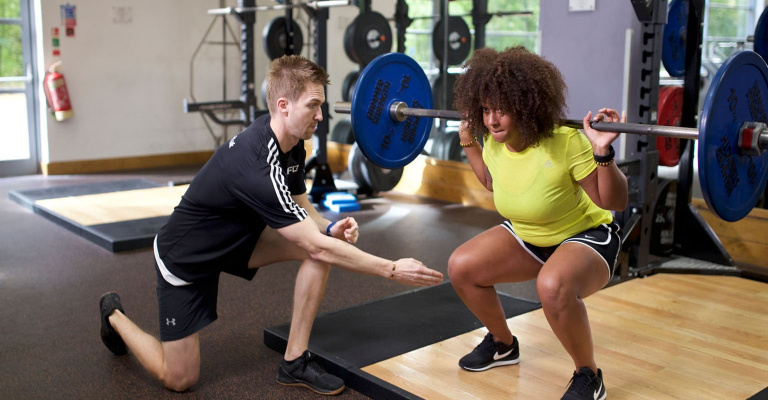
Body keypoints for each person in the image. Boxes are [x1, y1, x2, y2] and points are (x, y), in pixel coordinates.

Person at [98, 55, 443, 396]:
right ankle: (113, 314)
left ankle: (294, 361)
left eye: (321, 105)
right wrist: (394, 269)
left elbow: (303, 207)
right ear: (283, 105)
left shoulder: (291, 144)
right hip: (186, 258)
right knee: (179, 379)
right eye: (313, 105)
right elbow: (313, 242)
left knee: (320, 250)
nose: (320, 116)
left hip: (239, 240)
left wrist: (327, 227)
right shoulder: (257, 165)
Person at [447, 46, 628, 400]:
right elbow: (492, 182)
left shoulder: (566, 142)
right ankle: (502, 343)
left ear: (526, 106)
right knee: (462, 266)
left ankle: (588, 374)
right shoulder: (495, 142)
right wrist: (468, 141)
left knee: (552, 286)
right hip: (529, 236)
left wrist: (602, 152)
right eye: (486, 109)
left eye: (502, 110)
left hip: (586, 236)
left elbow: (615, 202)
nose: (492, 120)